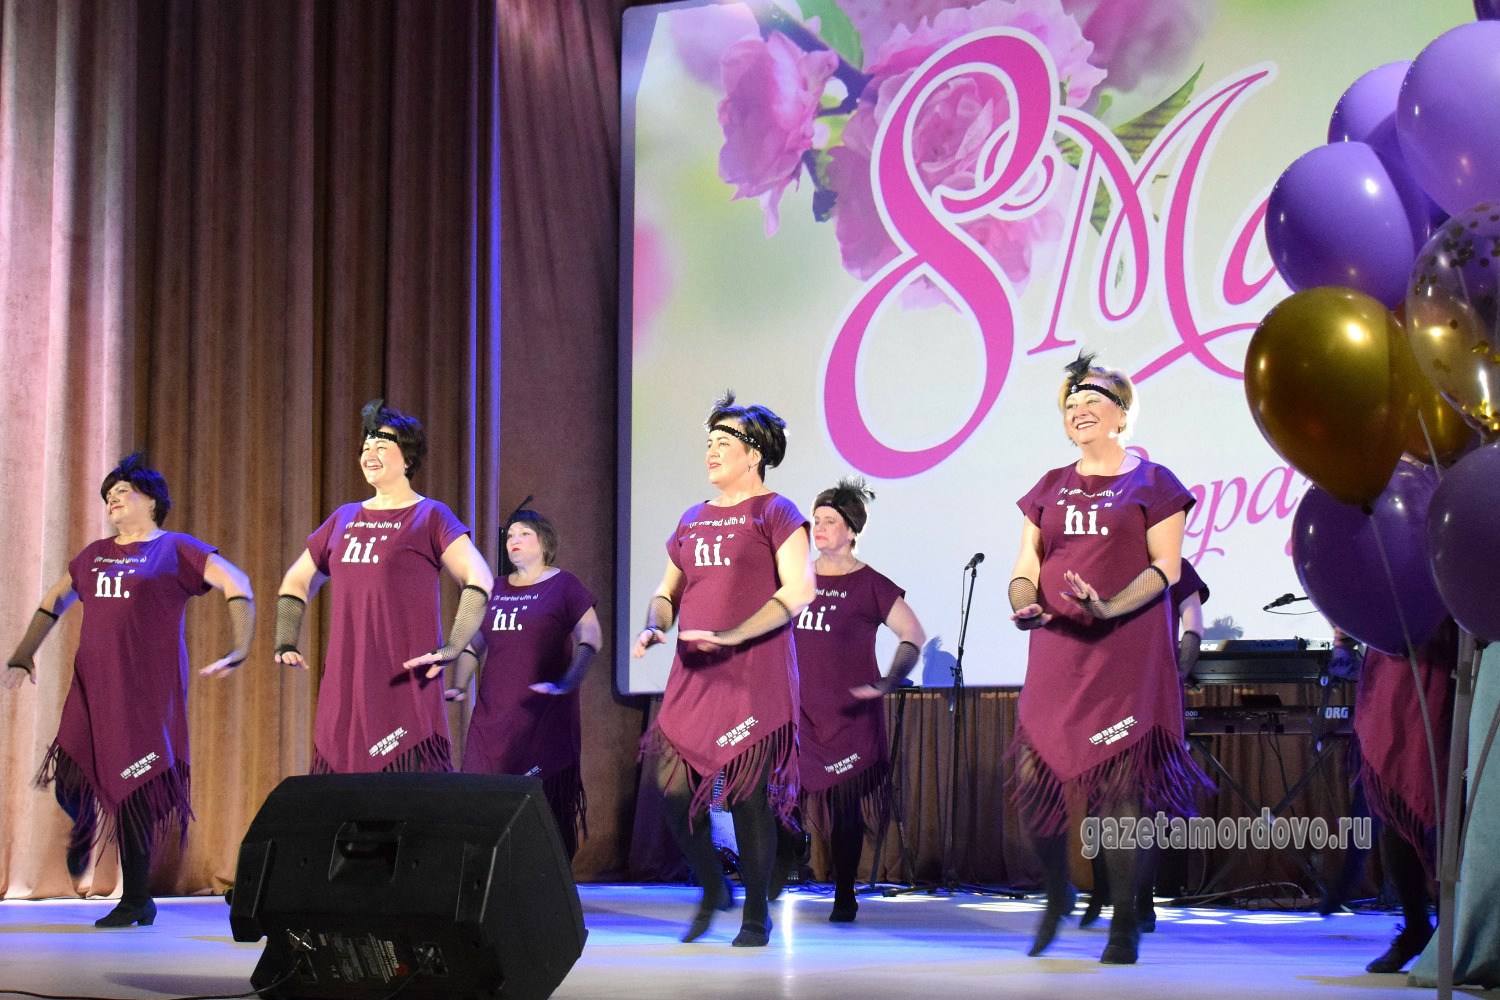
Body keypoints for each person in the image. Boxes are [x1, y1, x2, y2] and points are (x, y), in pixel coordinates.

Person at [1007, 353, 1208, 965]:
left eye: (1092, 401)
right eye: (1071, 405)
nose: (1080, 411)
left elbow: (1166, 568)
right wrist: (1021, 599)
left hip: (1124, 651)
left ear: (1122, 414)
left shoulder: (1155, 483)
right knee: (1034, 776)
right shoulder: (1048, 485)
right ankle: (1057, 893)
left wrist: (1109, 605)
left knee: (1122, 789)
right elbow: (1027, 563)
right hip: (1057, 648)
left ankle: (1125, 920)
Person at [4, 453, 254, 927]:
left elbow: (236, 582)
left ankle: (137, 899)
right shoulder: (95, 554)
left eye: (122, 492)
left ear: (152, 501)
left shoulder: (176, 548)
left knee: (136, 788)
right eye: (108, 495)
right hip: (92, 685)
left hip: (146, 692)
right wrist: (23, 653)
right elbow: (54, 600)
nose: (112, 500)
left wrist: (241, 645)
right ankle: (84, 822)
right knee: (71, 772)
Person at [632, 391, 814, 948]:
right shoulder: (691, 519)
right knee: (670, 790)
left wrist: (733, 635)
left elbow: (800, 590)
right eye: (708, 441)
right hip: (693, 675)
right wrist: (655, 624)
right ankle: (714, 887)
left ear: (754, 453)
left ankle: (756, 914)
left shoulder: (776, 512)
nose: (711, 450)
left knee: (745, 796)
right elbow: (667, 592)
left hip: (751, 674)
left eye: (723, 441)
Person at [274, 399, 493, 773]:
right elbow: (297, 580)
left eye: (381, 445)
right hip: (346, 686)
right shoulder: (343, 518)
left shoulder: (430, 515)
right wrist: (286, 639)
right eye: (365, 447)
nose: (369, 454)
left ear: (407, 458)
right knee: (345, 795)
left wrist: (454, 645)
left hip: (403, 683)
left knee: (405, 795)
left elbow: (479, 578)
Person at [794, 477, 925, 923]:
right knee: (779, 798)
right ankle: (783, 863)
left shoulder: (871, 584)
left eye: (830, 521)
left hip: (849, 715)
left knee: (844, 808)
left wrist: (890, 679)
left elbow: (912, 635)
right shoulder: (795, 579)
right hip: (798, 712)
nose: (819, 527)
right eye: (816, 520)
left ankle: (844, 894)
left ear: (851, 531)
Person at [447, 504, 601, 858]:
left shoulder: (564, 585)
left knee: (546, 808)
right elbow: (473, 644)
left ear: (545, 543)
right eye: (510, 535)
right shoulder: (495, 588)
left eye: (524, 533)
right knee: (483, 804)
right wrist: (459, 684)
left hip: (543, 717)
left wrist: (567, 682)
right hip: (493, 720)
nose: (514, 539)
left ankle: (549, 880)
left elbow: (592, 637)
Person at [1079, 559, 1208, 931]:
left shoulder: (1175, 566)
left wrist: (1176, 674)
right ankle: (1107, 894)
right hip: (1106, 692)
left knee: (1145, 800)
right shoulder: (1106, 557)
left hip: (1149, 693)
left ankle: (1142, 900)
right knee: (1101, 798)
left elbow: (1193, 623)